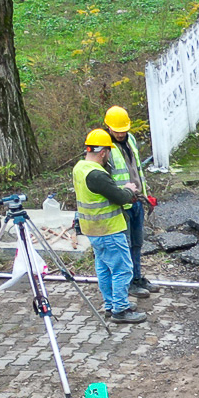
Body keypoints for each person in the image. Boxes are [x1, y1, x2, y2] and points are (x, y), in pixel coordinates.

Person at [75, 129, 147, 324]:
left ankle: (111, 304)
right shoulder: (97, 175)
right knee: (122, 268)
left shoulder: (80, 168)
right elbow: (119, 197)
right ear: (103, 152)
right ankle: (121, 309)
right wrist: (128, 189)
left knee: (105, 269)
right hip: (109, 229)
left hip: (93, 230)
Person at [101, 106, 156, 302]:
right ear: (109, 127)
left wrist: (145, 195)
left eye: (123, 129)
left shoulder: (130, 139)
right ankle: (130, 283)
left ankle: (138, 277)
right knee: (125, 246)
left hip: (136, 200)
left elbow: (136, 169)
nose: (121, 133)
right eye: (118, 130)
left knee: (137, 242)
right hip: (120, 204)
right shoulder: (104, 147)